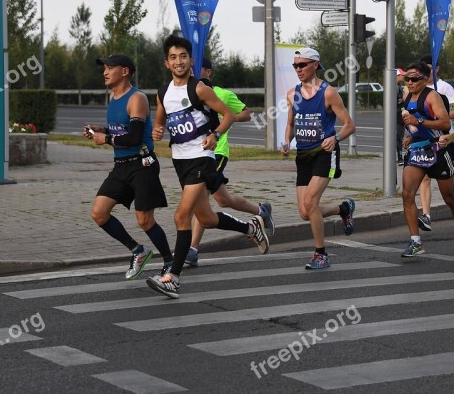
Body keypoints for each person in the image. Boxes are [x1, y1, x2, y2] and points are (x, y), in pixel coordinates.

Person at [146, 35, 272, 298]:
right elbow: (159, 119)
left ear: (191, 60)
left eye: (183, 56)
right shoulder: (163, 93)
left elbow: (228, 114)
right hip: (180, 161)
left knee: (181, 216)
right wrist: (157, 130)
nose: (178, 61)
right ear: (166, 63)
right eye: (173, 57)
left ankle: (173, 277)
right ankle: (251, 228)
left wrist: (214, 134)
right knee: (207, 218)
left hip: (202, 159)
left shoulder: (200, 89)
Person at [84, 53, 174, 281]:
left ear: (124, 71)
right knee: (99, 213)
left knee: (144, 220)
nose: (105, 72)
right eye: (103, 68)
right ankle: (138, 251)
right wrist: (101, 129)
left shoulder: (137, 98)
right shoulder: (113, 98)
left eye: (110, 68)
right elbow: (120, 129)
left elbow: (134, 137)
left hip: (142, 165)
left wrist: (105, 139)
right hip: (121, 167)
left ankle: (170, 262)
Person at [184, 58, 275, 268]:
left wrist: (225, 117)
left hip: (217, 152)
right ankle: (261, 210)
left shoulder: (221, 94)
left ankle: (193, 250)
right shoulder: (188, 95)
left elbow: (245, 113)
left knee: (201, 198)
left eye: (198, 70)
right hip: (196, 153)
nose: (194, 73)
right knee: (223, 200)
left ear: (208, 72)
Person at [282, 47, 356, 270]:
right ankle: (343, 209)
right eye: (295, 66)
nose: (298, 69)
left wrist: (336, 138)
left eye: (302, 65)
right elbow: (291, 123)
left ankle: (321, 254)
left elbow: (350, 125)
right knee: (305, 212)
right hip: (303, 155)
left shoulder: (328, 93)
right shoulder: (291, 94)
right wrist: (286, 141)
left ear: (315, 65)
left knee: (310, 202)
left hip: (325, 153)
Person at [401, 61, 454, 257]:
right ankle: (415, 241)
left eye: (414, 79)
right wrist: (410, 136)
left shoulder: (432, 96)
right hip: (417, 150)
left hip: (438, 150)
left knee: (448, 197)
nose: (409, 82)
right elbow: (413, 124)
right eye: (407, 78)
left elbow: (443, 123)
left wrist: (419, 121)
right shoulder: (407, 96)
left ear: (424, 79)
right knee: (407, 194)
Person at [415, 54, 454, 231]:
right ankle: (426, 215)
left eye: (429, 67)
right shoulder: (416, 89)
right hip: (426, 141)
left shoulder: (445, 88)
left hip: (445, 140)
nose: (426, 71)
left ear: (436, 69)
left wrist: (434, 115)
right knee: (425, 178)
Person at [396, 68, 407, 164]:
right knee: (397, 137)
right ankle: (399, 157)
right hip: (397, 114)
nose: (404, 76)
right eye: (402, 75)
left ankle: (399, 156)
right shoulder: (394, 87)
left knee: (399, 136)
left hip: (400, 113)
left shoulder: (399, 86)